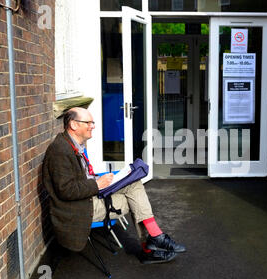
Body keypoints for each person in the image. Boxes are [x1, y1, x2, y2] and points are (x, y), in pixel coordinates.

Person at [42, 107, 185, 264]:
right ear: (74, 125)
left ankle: (153, 241)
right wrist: (97, 184)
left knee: (133, 182)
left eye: (92, 122)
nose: (93, 126)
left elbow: (80, 178)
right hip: (79, 208)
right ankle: (151, 244)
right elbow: (65, 191)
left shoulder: (72, 143)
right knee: (135, 201)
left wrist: (101, 181)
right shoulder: (60, 150)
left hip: (89, 196)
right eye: (88, 122)